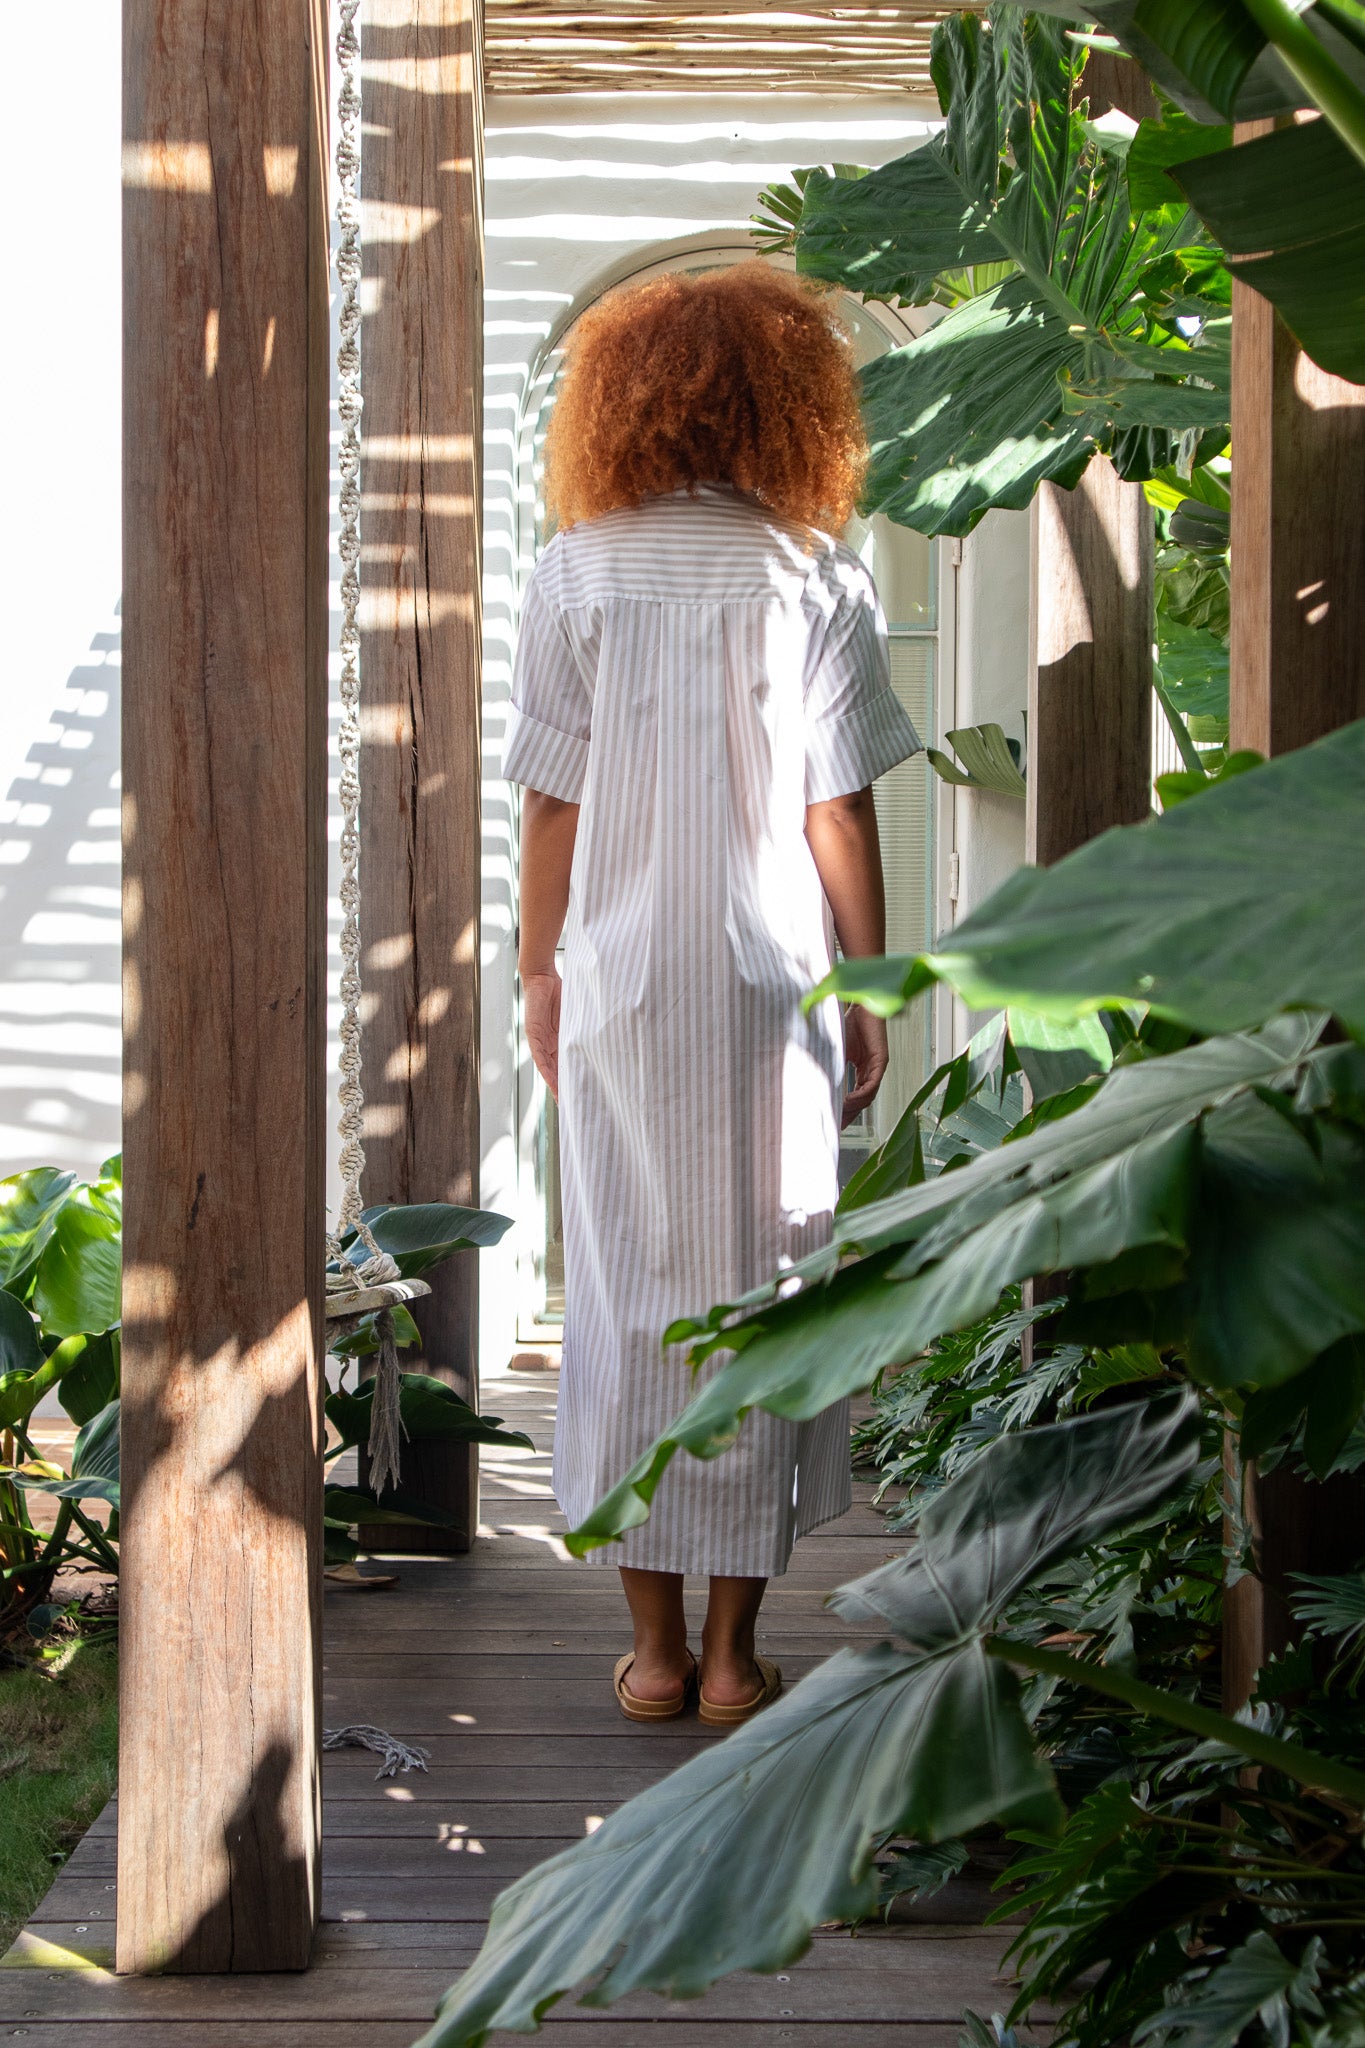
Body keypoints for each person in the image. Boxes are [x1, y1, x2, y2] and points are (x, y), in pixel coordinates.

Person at [505, 261, 921, 1727]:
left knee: (624, 1288)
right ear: (784, 406)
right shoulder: (815, 570)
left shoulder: (575, 570)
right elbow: (839, 813)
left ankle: (652, 1656)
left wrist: (538, 972)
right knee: (769, 1284)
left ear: (619, 404)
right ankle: (741, 1658)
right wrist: (871, 983)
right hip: (770, 983)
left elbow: (550, 809)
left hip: (616, 976)